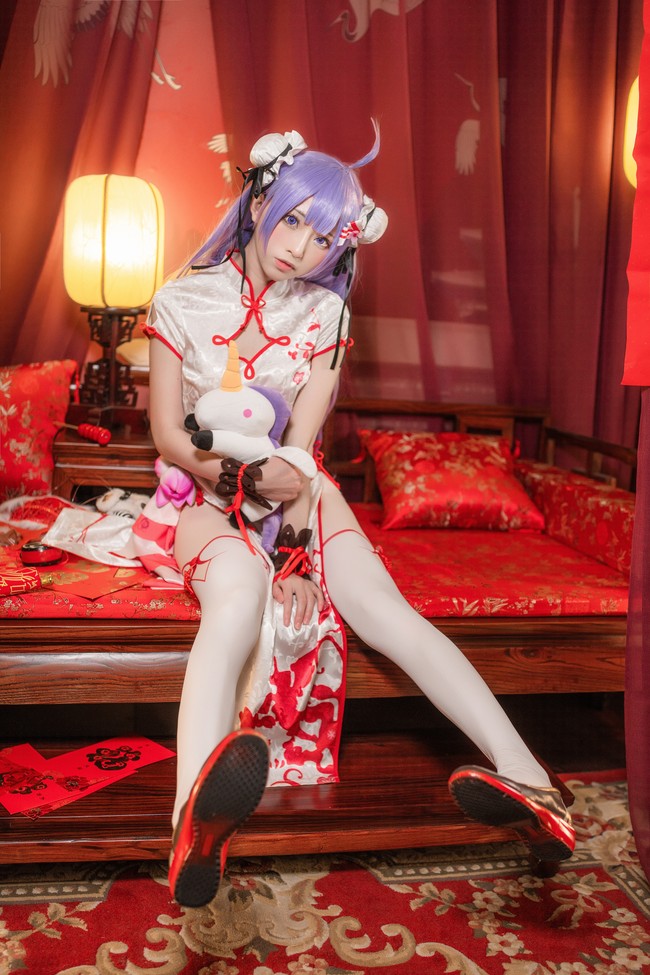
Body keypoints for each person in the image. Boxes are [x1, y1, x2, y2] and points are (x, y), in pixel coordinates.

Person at [141, 125, 575, 909]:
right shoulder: (180, 298)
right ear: (261, 201)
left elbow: (302, 449)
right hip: (206, 496)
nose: (302, 248)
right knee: (235, 595)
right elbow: (169, 435)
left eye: (324, 237)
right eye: (294, 221)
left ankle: (533, 781)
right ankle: (192, 824)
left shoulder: (327, 315)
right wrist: (240, 477)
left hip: (298, 493)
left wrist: (295, 552)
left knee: (381, 608)